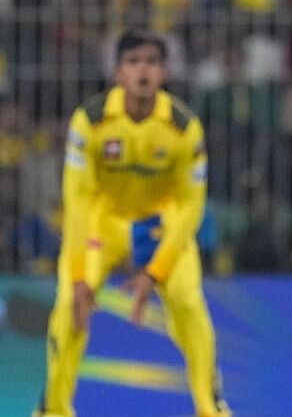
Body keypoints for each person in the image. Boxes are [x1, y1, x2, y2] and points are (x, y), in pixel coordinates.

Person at [35, 31, 231, 417]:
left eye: (152, 62)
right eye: (134, 62)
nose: (143, 70)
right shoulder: (90, 121)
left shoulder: (183, 127)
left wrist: (153, 273)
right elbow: (77, 200)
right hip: (101, 224)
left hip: (159, 225)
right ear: (118, 72)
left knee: (189, 304)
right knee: (66, 310)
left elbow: (191, 207)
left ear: (164, 72)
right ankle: (54, 410)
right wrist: (78, 279)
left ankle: (211, 407)